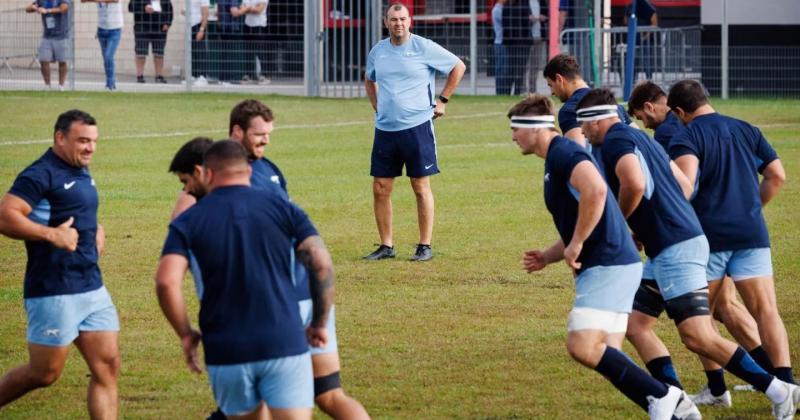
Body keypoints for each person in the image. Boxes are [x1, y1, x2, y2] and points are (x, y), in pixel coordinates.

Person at [577, 88, 800, 419]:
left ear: (597, 121)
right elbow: (682, 183)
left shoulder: (615, 141)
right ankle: (676, 399)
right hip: (677, 242)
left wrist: (621, 226)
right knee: (637, 324)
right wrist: (654, 220)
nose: (582, 132)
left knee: (698, 336)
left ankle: (779, 389)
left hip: (676, 248)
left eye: (584, 125)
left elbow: (635, 184)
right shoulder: (644, 137)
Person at [170, 100, 370, 420]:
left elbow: (178, 249)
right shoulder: (239, 177)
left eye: (268, 134)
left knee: (298, 393)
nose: (265, 141)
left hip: (282, 300)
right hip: (298, 296)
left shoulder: (258, 172)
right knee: (325, 393)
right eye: (259, 134)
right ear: (237, 132)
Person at [507, 94, 697, 420]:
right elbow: (582, 216)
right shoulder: (556, 157)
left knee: (581, 346)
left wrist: (577, 243)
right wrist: (548, 256)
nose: (512, 137)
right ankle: (673, 408)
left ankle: (664, 396)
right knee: (607, 354)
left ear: (534, 128)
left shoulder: (565, 152)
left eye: (515, 129)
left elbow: (596, 191)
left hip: (607, 264)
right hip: (614, 263)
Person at [157, 140, 334, 420]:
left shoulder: (187, 221)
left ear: (208, 173)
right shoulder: (284, 208)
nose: (187, 190)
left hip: (226, 348)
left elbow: (167, 282)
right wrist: (319, 323)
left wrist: (186, 334)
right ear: (248, 171)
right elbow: (321, 264)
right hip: (284, 341)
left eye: (186, 182)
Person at [626, 80, 771, 407]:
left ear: (652, 108)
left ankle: (767, 383)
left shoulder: (671, 134)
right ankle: (761, 381)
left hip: (691, 238)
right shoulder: (712, 126)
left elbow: (679, 189)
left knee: (708, 319)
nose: (646, 126)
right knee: (726, 311)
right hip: (722, 232)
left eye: (643, 117)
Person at [667, 80, 796, 390]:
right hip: (751, 233)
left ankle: (717, 388)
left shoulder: (687, 136)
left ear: (680, 111)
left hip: (709, 238)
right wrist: (752, 208)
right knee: (766, 312)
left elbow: (684, 186)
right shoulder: (747, 129)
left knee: (702, 318)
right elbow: (777, 175)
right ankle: (786, 384)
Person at [0, 110, 120, 418]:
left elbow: (75, 208)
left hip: (91, 285)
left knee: (107, 367)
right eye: (82, 140)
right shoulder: (40, 174)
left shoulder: (79, 168)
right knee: (45, 374)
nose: (90, 148)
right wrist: (51, 234)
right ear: (59, 138)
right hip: (54, 289)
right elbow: (6, 214)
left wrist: (96, 229)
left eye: (93, 141)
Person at [363, 2, 466, 262]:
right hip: (385, 129)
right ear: (385, 22)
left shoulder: (424, 47)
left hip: (417, 127)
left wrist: (443, 100)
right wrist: (377, 106)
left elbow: (458, 66)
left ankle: (424, 245)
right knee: (380, 187)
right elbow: (369, 77)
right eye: (393, 19)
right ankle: (386, 246)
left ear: (410, 21)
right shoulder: (378, 52)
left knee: (420, 186)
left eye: (402, 18)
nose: (398, 23)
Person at [25, 0, 70, 90]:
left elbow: (64, 8)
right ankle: (47, 85)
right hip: (47, 36)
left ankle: (61, 86)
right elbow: (28, 8)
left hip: (61, 36)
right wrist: (36, 8)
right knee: (44, 60)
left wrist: (47, 10)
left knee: (62, 61)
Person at [82, 0, 123, 91]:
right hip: (102, 29)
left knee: (109, 56)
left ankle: (111, 84)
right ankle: (109, 83)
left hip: (115, 29)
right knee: (105, 58)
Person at [129, 0, 173, 83]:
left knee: (159, 53)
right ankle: (140, 76)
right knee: (140, 52)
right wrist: (144, 8)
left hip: (160, 27)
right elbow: (131, 7)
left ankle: (159, 76)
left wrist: (168, 23)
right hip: (142, 26)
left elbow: (169, 10)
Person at [502, 0, 532, 96]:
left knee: (510, 68)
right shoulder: (524, 5)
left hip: (510, 42)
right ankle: (517, 92)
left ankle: (507, 92)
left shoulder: (506, 6)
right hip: (523, 42)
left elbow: (504, 25)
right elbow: (526, 24)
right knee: (520, 69)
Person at [623, 0, 658, 80]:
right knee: (633, 61)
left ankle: (648, 80)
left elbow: (654, 23)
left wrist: (646, 36)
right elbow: (625, 21)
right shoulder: (630, 6)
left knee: (647, 61)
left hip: (645, 40)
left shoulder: (649, 6)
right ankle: (632, 80)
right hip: (634, 39)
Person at [240, 0, 268, 83]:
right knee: (249, 52)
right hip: (248, 25)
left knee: (260, 52)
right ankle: (249, 75)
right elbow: (242, 8)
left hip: (259, 25)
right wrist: (251, 8)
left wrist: (247, 8)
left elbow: (259, 10)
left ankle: (263, 75)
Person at [216, 0, 244, 82]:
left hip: (223, 28)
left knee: (224, 53)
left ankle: (223, 78)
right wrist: (245, 9)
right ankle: (231, 78)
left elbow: (218, 12)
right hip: (231, 28)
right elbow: (234, 12)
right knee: (231, 54)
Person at [186, 0, 210, 84]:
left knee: (200, 51)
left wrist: (201, 29)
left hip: (198, 25)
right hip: (190, 25)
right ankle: (193, 75)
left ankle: (203, 77)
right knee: (192, 52)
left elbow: (206, 13)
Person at [526, 0, 546, 92]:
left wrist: (543, 18)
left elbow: (547, 16)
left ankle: (532, 89)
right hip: (528, 37)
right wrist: (529, 19)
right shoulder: (524, 2)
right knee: (525, 64)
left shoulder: (541, 2)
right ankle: (522, 88)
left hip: (539, 37)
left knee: (535, 65)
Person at [492, 0, 508, 95]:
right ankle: (500, 91)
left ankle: (502, 91)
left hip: (501, 42)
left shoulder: (500, 8)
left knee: (503, 68)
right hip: (500, 42)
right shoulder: (498, 9)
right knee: (501, 69)